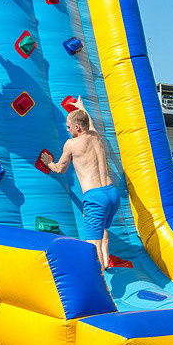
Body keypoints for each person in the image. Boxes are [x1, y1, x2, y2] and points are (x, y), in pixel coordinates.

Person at [41, 97, 119, 273]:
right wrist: (82, 108)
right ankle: (106, 261)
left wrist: (48, 162)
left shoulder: (71, 144)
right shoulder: (95, 137)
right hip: (111, 193)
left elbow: (60, 169)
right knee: (103, 228)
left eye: (69, 127)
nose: (67, 130)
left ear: (77, 127)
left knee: (92, 245)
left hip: (95, 197)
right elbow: (89, 124)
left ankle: (98, 281)